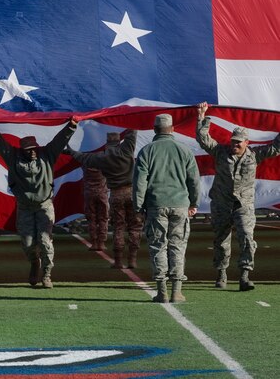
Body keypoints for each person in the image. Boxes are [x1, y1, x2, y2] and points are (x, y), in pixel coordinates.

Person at [0, 118, 78, 289]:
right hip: (25, 207)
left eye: (34, 148)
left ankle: (47, 273)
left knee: (44, 240)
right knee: (28, 243)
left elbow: (60, 140)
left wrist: (71, 126)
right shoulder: (13, 157)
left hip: (44, 206)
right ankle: (34, 263)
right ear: (22, 151)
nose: (33, 152)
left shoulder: (47, 155)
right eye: (29, 150)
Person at [196, 102, 280, 291]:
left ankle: (244, 274)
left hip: (244, 205)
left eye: (238, 142)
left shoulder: (255, 155)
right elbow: (203, 140)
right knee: (221, 240)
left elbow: (276, 147)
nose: (234, 144)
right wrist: (202, 118)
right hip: (222, 203)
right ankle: (221, 273)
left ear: (246, 143)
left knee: (247, 239)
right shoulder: (220, 152)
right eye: (233, 141)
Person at [133, 114, 200, 303]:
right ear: (172, 129)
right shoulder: (184, 151)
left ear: (154, 130)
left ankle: (161, 291)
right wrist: (194, 203)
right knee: (177, 246)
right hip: (180, 205)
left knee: (158, 246)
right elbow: (194, 181)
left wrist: (138, 207)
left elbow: (139, 183)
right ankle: (177, 291)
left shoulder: (146, 151)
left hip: (155, 205)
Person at [66, 130, 142, 268]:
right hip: (132, 194)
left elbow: (82, 158)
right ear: (119, 142)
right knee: (134, 227)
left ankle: (118, 261)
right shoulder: (127, 150)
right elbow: (132, 132)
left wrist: (70, 150)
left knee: (118, 226)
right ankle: (132, 260)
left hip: (115, 194)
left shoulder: (102, 158)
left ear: (106, 144)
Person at [81, 167, 109, 251]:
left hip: (89, 193)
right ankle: (101, 243)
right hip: (102, 193)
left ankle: (94, 243)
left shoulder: (85, 162)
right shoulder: (103, 162)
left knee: (91, 219)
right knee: (103, 218)